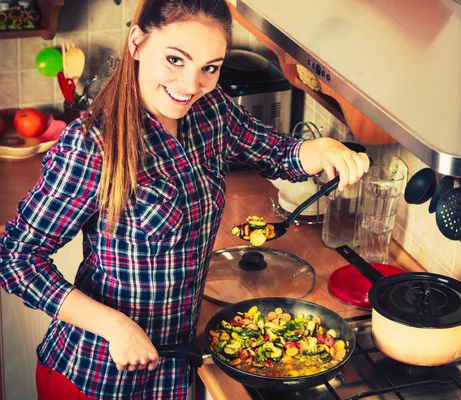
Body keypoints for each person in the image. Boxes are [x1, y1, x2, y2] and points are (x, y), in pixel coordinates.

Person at [0, 0, 369, 399]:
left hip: (174, 369)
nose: (191, 85)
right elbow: (16, 259)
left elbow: (276, 152)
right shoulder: (95, 144)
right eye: (176, 59)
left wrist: (325, 150)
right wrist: (115, 326)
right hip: (98, 373)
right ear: (137, 42)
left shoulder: (211, 111)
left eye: (209, 67)